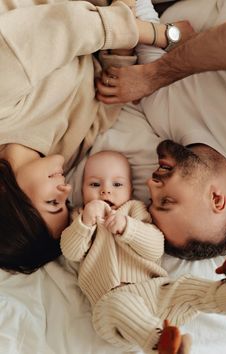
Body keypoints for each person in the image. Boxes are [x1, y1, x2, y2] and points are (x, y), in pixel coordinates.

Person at [0, 0, 174, 273]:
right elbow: (110, 94)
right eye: (65, 203)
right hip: (113, 19)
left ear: (7, 196)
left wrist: (161, 35)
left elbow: (63, 26)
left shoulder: (5, 109)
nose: (67, 189)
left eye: (52, 202)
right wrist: (123, 44)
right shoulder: (64, 154)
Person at [94, 0, 226, 260]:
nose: (150, 184)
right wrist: (154, 75)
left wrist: (168, 37)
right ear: (217, 199)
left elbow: (141, 15)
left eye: (151, 200)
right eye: (167, 201)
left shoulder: (160, 115)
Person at [60, 150, 226, 354]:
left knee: (186, 287)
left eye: (117, 184)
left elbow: (154, 248)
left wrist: (128, 228)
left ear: (130, 189)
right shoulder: (81, 218)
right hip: (112, 307)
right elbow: (71, 252)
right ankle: (161, 344)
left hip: (155, 291)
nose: (105, 191)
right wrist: (85, 223)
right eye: (94, 184)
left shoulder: (135, 211)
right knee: (119, 304)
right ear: (82, 190)